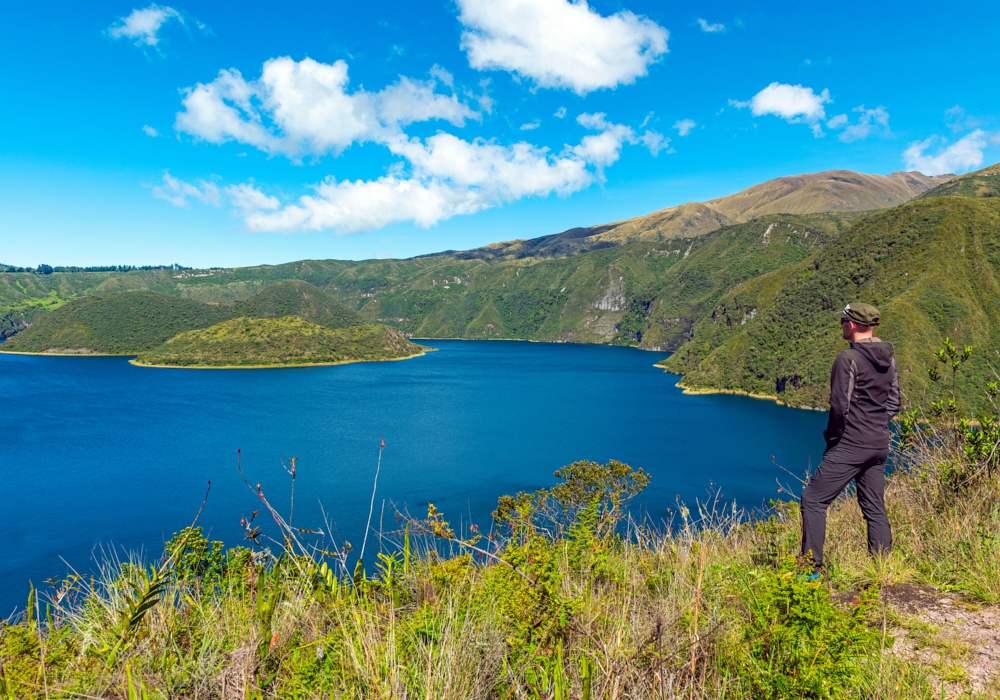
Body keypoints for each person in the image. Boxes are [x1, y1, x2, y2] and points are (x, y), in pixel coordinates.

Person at [800, 302, 900, 577]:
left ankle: (810, 573)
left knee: (813, 500)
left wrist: (834, 437)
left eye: (844, 321)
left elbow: (839, 406)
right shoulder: (889, 359)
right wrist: (876, 425)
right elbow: (894, 403)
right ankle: (882, 570)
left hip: (851, 444)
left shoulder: (848, 359)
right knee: (874, 508)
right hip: (879, 444)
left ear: (853, 325)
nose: (841, 325)